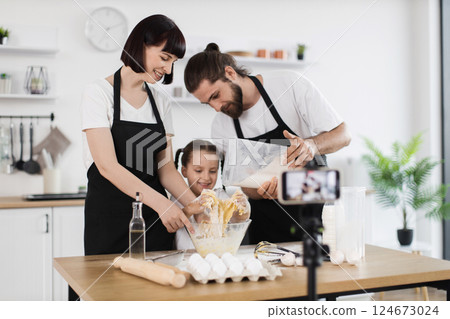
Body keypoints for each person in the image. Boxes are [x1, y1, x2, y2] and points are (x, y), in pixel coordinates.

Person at [184, 43, 351, 244]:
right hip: (266, 230)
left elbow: (343, 134)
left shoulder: (288, 85)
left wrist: (311, 146)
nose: (217, 108)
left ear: (230, 73)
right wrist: (259, 190)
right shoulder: (221, 126)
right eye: (208, 103)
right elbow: (244, 184)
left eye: (216, 96)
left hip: (316, 217)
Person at [80, 15, 201, 261]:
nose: (168, 70)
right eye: (165, 58)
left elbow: (165, 168)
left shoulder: (161, 101)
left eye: (173, 62)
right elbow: (107, 166)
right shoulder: (98, 93)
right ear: (140, 45)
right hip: (109, 220)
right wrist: (164, 205)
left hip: (155, 221)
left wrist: (200, 205)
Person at [173, 140, 220, 249]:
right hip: (185, 260)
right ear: (184, 171)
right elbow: (172, 224)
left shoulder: (220, 195)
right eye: (198, 170)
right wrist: (189, 210)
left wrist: (243, 205)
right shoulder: (176, 197)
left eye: (212, 171)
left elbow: (239, 218)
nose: (206, 177)